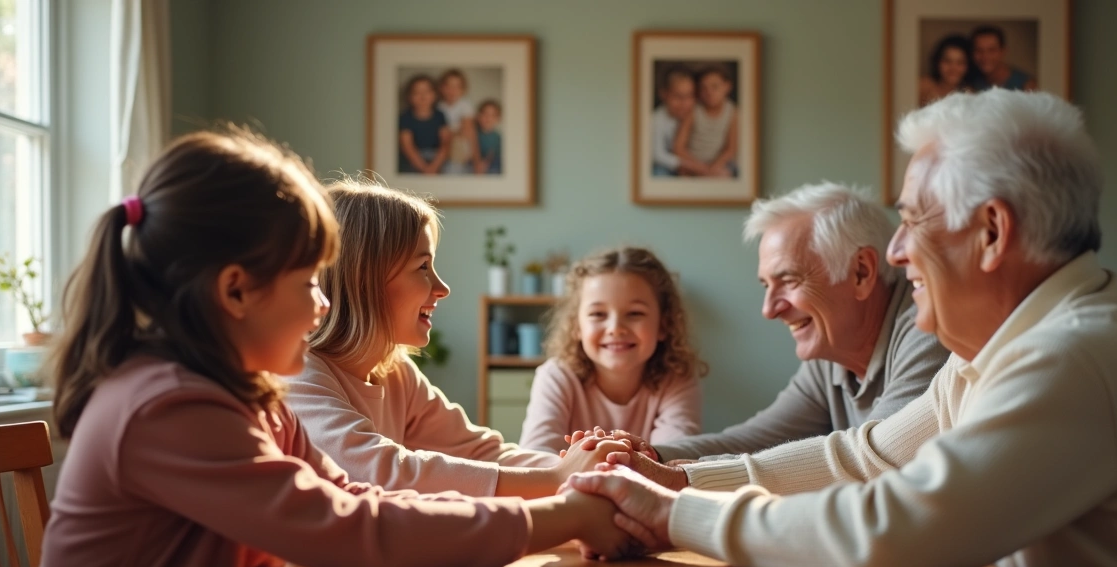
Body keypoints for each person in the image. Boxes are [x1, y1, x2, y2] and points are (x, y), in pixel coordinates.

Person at [570, 90, 1117, 567]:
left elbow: (886, 528)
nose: (897, 252)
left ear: (992, 232)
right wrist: (679, 483)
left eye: (911, 222)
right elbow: (862, 457)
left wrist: (671, 516)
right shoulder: (1001, 350)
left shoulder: (1075, 356)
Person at [28, 130, 633, 567]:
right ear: (236, 290)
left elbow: (362, 500)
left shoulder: (250, 397)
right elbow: (351, 531)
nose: (323, 307)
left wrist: (564, 502)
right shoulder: (167, 406)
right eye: (309, 284)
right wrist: (560, 517)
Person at [287, 178, 628, 499]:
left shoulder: (395, 371)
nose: (442, 288)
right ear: (364, 281)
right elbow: (381, 471)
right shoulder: (296, 374)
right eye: (423, 268)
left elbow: (481, 451)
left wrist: (590, 465)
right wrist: (557, 478)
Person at [609, 182, 947, 479]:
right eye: (766, 286)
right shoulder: (833, 353)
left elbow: (871, 460)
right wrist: (648, 455)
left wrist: (685, 476)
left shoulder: (929, 328)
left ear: (861, 272)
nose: (769, 309)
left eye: (788, 280)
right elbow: (754, 438)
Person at [518, 247, 706, 454]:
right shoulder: (557, 376)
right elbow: (536, 455)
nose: (615, 328)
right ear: (576, 326)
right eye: (598, 314)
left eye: (635, 313)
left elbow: (672, 456)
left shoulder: (676, 379)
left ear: (663, 324)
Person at [674, 65, 738, 178]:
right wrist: (702, 169)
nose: (709, 92)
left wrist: (713, 168)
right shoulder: (694, 111)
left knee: (728, 175)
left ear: (727, 86)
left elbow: (731, 148)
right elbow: (679, 147)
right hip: (692, 164)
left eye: (715, 87)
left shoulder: (732, 112)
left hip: (717, 165)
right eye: (703, 88)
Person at [397, 74, 450, 174]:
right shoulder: (405, 118)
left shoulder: (440, 116)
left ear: (434, 94)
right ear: (409, 97)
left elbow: (445, 144)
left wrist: (434, 167)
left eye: (427, 92)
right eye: (417, 93)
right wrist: (425, 169)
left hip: (435, 158)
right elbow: (407, 147)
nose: (423, 97)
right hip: (414, 160)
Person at [650, 65, 696, 177]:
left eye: (689, 96)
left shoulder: (695, 114)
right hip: (670, 167)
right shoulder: (656, 119)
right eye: (678, 97)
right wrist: (686, 165)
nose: (685, 103)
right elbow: (657, 154)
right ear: (664, 94)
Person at [970, 25, 1037, 91]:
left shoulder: (1027, 85)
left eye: (992, 50)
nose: (985, 56)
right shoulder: (973, 83)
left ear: (1003, 51)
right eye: (979, 50)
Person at [918, 34, 977, 106]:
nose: (953, 68)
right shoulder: (924, 85)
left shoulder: (970, 93)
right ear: (937, 62)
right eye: (947, 61)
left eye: (960, 62)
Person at [437, 69, 477, 174]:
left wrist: (452, 133)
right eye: (448, 86)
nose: (452, 90)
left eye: (457, 87)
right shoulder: (439, 106)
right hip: (443, 144)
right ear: (441, 88)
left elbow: (467, 130)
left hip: (460, 144)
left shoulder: (464, 105)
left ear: (463, 90)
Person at [474, 99, 502, 175]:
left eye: (492, 115)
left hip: (490, 164)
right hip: (474, 163)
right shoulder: (474, 134)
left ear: (498, 119)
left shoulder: (497, 137)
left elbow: (492, 154)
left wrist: (485, 164)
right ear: (478, 116)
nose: (488, 118)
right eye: (485, 114)